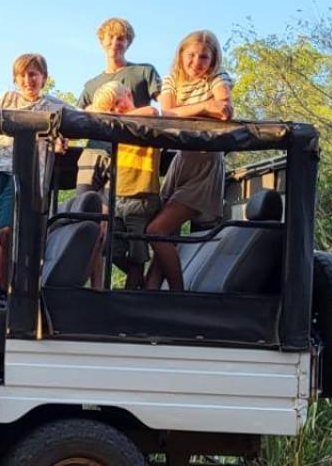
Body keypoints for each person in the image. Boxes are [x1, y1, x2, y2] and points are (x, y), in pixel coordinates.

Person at [0, 53, 66, 302]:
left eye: (33, 74)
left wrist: (61, 142)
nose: (27, 79)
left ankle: (10, 293)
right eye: (21, 75)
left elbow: (81, 122)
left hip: (20, 173)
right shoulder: (6, 98)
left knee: (8, 231)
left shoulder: (55, 106)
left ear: (44, 77)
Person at [145, 30, 234, 291]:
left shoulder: (218, 77)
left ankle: (177, 294)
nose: (196, 62)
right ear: (181, 55)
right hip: (181, 161)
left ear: (213, 59)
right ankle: (150, 293)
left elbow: (225, 110)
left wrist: (196, 110)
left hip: (205, 163)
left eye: (204, 57)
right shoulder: (172, 79)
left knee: (156, 230)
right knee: (164, 233)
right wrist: (204, 108)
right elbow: (165, 113)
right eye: (191, 55)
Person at [86, 81, 162, 290]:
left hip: (142, 196)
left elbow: (153, 110)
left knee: (138, 253)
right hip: (117, 197)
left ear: (129, 94)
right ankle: (142, 285)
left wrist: (118, 116)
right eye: (111, 109)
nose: (116, 110)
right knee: (111, 249)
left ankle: (129, 296)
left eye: (118, 102)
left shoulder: (143, 122)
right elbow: (90, 111)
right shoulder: (116, 131)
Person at [80, 18, 161, 113]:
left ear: (128, 43)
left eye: (120, 38)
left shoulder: (144, 71)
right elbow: (77, 114)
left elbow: (166, 107)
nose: (115, 42)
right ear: (102, 41)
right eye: (110, 37)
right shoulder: (91, 86)